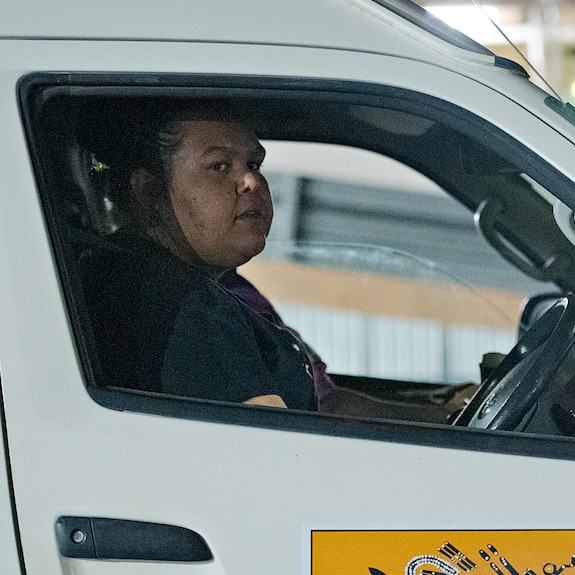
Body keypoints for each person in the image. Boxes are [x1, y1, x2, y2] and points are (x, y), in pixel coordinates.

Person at [82, 101, 473, 421]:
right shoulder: (185, 309)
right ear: (149, 190)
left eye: (254, 164)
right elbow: (281, 455)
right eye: (220, 166)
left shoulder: (138, 279)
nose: (251, 182)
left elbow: (316, 412)